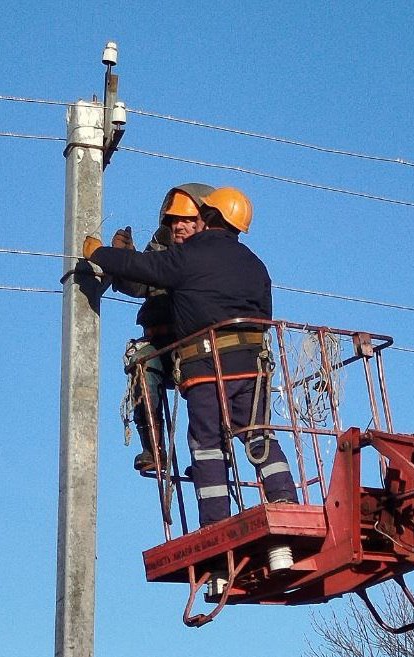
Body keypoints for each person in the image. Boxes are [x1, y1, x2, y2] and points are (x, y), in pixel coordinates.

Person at [83, 187, 298, 526]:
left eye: (188, 219)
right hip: (253, 368)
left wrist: (101, 254)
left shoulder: (186, 258)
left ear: (207, 217)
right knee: (258, 433)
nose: (180, 226)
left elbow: (138, 267)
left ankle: (215, 523)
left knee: (206, 443)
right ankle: (285, 498)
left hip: (206, 368)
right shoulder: (256, 265)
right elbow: (265, 314)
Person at [112, 183, 214, 473]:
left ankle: (210, 457)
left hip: (199, 342)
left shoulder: (217, 250)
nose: (178, 226)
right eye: (173, 219)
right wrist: (125, 260)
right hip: (161, 337)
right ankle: (153, 448)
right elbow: (141, 282)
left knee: (206, 386)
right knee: (141, 362)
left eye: (186, 219)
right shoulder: (163, 241)